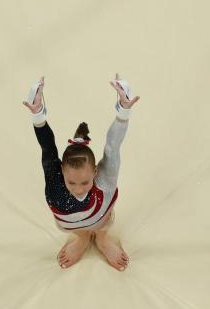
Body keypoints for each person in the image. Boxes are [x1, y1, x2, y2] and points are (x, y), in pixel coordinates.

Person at [22, 75, 139, 270]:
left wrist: (123, 113)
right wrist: (38, 117)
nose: (78, 190)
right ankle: (83, 238)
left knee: (102, 225)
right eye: (71, 182)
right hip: (70, 222)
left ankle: (102, 240)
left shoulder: (104, 181)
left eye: (85, 182)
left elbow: (113, 147)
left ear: (95, 172)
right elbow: (48, 149)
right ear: (61, 173)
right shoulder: (55, 184)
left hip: (101, 215)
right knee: (80, 229)